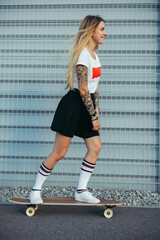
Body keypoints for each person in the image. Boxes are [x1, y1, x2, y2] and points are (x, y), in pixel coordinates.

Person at [29, 15, 107, 204]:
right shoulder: (83, 56)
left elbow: (94, 88)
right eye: (102, 29)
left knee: (95, 147)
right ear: (91, 32)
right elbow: (82, 88)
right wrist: (93, 116)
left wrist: (95, 112)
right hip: (73, 105)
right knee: (59, 153)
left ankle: (81, 191)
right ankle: (35, 190)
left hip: (86, 107)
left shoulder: (95, 56)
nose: (106, 33)